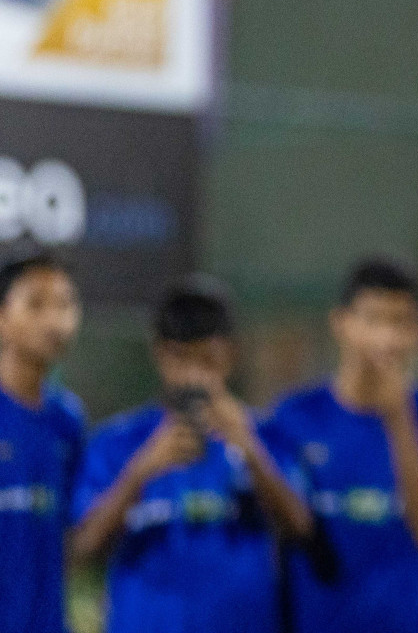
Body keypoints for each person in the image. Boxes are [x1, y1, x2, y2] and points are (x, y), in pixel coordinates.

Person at [72, 277, 311, 633]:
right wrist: (141, 471)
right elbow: (85, 548)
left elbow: (300, 527)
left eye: (208, 360)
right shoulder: (119, 442)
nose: (195, 376)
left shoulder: (265, 435)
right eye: (181, 359)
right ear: (160, 355)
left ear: (230, 355)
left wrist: (249, 449)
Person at [261, 256, 418, 633]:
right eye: (373, 319)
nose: (386, 338)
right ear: (340, 323)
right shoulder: (294, 417)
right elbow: (284, 526)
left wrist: (398, 418)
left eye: (400, 322)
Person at [0, 249, 84, 633]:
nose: (55, 321)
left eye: (65, 305)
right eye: (36, 304)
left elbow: (73, 539)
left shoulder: (68, 420)